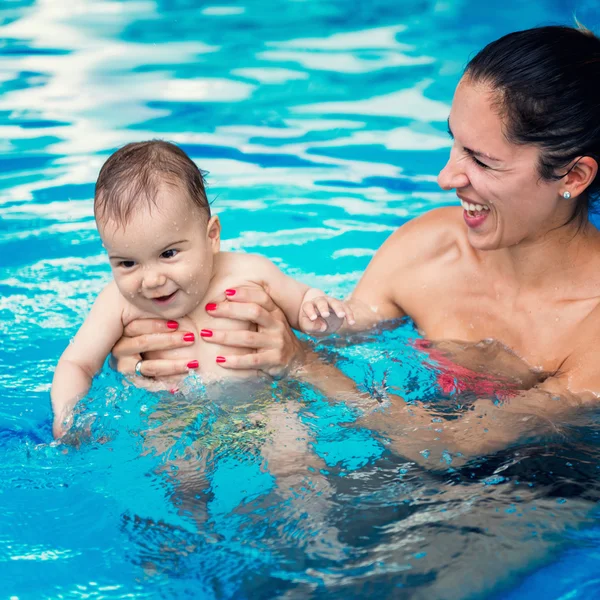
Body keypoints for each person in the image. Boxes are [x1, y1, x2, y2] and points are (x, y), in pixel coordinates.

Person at [110, 25, 600, 462]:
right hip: (405, 449)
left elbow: (449, 448)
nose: (446, 176)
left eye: (482, 160)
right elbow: (346, 328)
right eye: (453, 141)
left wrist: (303, 365)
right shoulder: (432, 244)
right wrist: (172, 335)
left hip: (542, 483)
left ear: (573, 176)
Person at [51, 140, 355, 438]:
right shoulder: (116, 303)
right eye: (127, 263)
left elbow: (301, 302)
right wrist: (68, 416)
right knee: (178, 470)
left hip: (265, 405)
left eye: (168, 254)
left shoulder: (249, 272)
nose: (151, 280)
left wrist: (317, 310)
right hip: (174, 415)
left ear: (211, 236)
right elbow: (76, 363)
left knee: (292, 455)